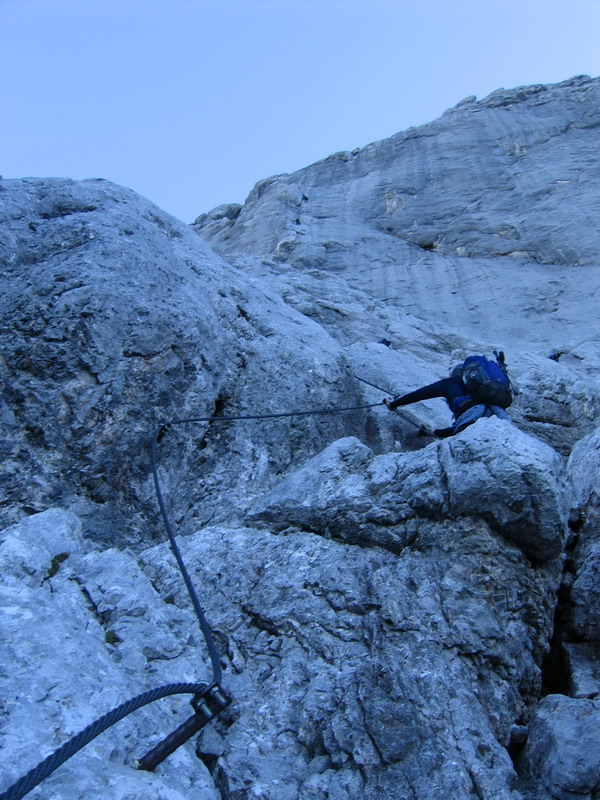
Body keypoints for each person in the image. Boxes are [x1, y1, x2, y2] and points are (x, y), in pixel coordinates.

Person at [384, 356, 510, 438]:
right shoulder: (487, 395)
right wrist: (432, 432)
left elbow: (420, 393)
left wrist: (394, 404)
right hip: (493, 420)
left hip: (471, 420)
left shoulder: (451, 384)